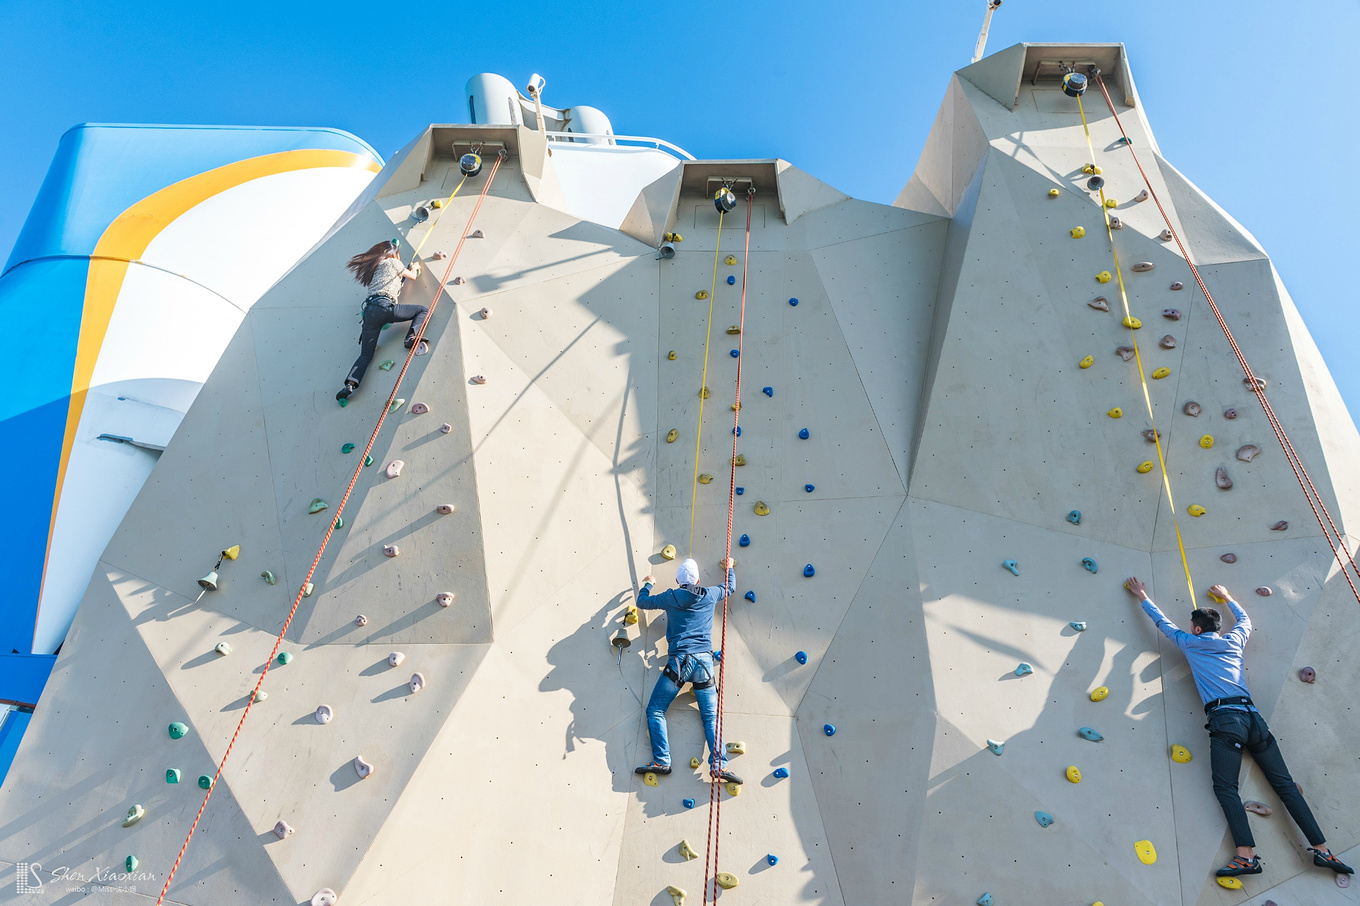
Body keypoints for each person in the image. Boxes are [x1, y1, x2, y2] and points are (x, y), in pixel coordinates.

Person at [1124, 577, 1353, 879]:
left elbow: (1162, 623)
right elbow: (1245, 620)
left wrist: (1141, 595)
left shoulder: (1190, 643)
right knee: (1285, 786)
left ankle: (1246, 856)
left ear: (1196, 628)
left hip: (1226, 720)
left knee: (1226, 788)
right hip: (1254, 718)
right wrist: (1227, 596)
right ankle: (1324, 851)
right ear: (1216, 627)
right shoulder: (1234, 640)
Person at [634, 557, 742, 785]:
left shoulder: (671, 597)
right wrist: (729, 568)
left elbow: (642, 602)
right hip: (703, 663)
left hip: (680, 663)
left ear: (677, 580)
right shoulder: (710, 594)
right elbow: (730, 587)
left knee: (655, 710)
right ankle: (719, 765)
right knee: (711, 717)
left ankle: (662, 760)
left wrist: (648, 583)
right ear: (699, 580)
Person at [336, 239, 427, 401]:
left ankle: (349, 385)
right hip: (384, 307)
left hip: (369, 312)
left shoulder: (376, 268)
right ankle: (411, 338)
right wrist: (414, 268)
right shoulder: (394, 262)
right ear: (394, 254)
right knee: (422, 310)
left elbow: (395, 282)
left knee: (365, 356)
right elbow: (412, 276)